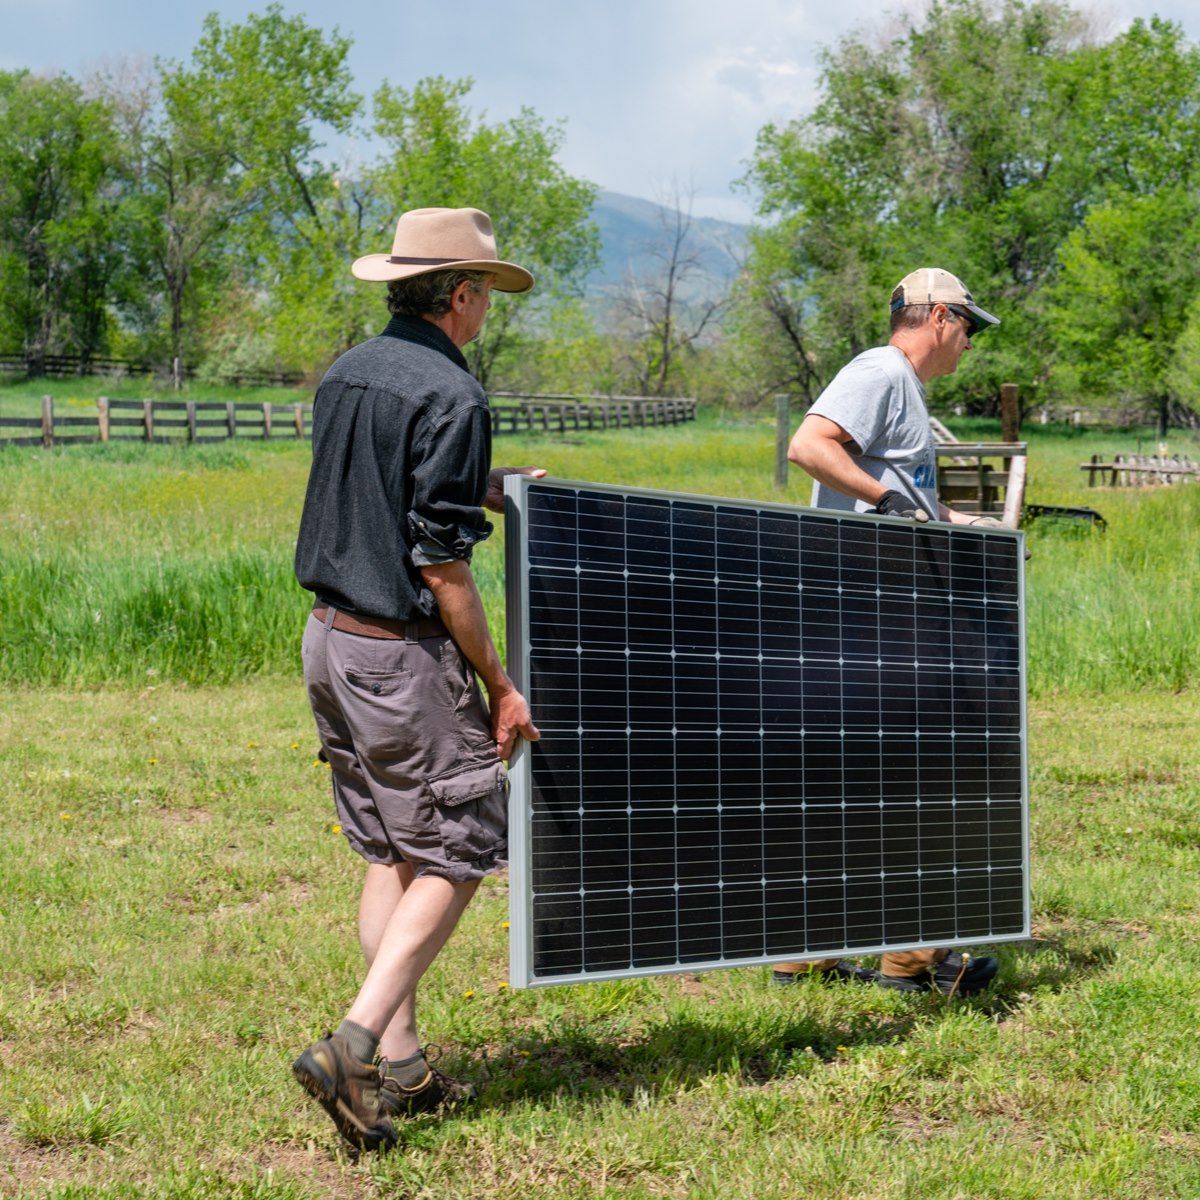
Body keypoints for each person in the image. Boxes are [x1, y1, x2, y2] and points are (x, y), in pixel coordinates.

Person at [290, 207, 541, 1151]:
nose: (487, 313)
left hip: (329, 643)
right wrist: (500, 683)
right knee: (464, 841)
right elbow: (441, 569)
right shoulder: (452, 394)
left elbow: (373, 483)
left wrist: (483, 479)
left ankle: (400, 1071)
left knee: (390, 849)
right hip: (401, 654)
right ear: (463, 294)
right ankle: (353, 1046)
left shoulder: (349, 372)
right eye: (486, 297)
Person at [776, 266, 1003, 997]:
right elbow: (810, 446)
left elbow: (901, 495)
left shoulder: (901, 387)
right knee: (917, 778)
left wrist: (955, 525)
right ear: (937, 316)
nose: (967, 344)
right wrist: (887, 503)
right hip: (871, 615)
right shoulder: (880, 371)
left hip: (868, 615)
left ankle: (805, 954)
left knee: (851, 783)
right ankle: (912, 961)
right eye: (967, 327)